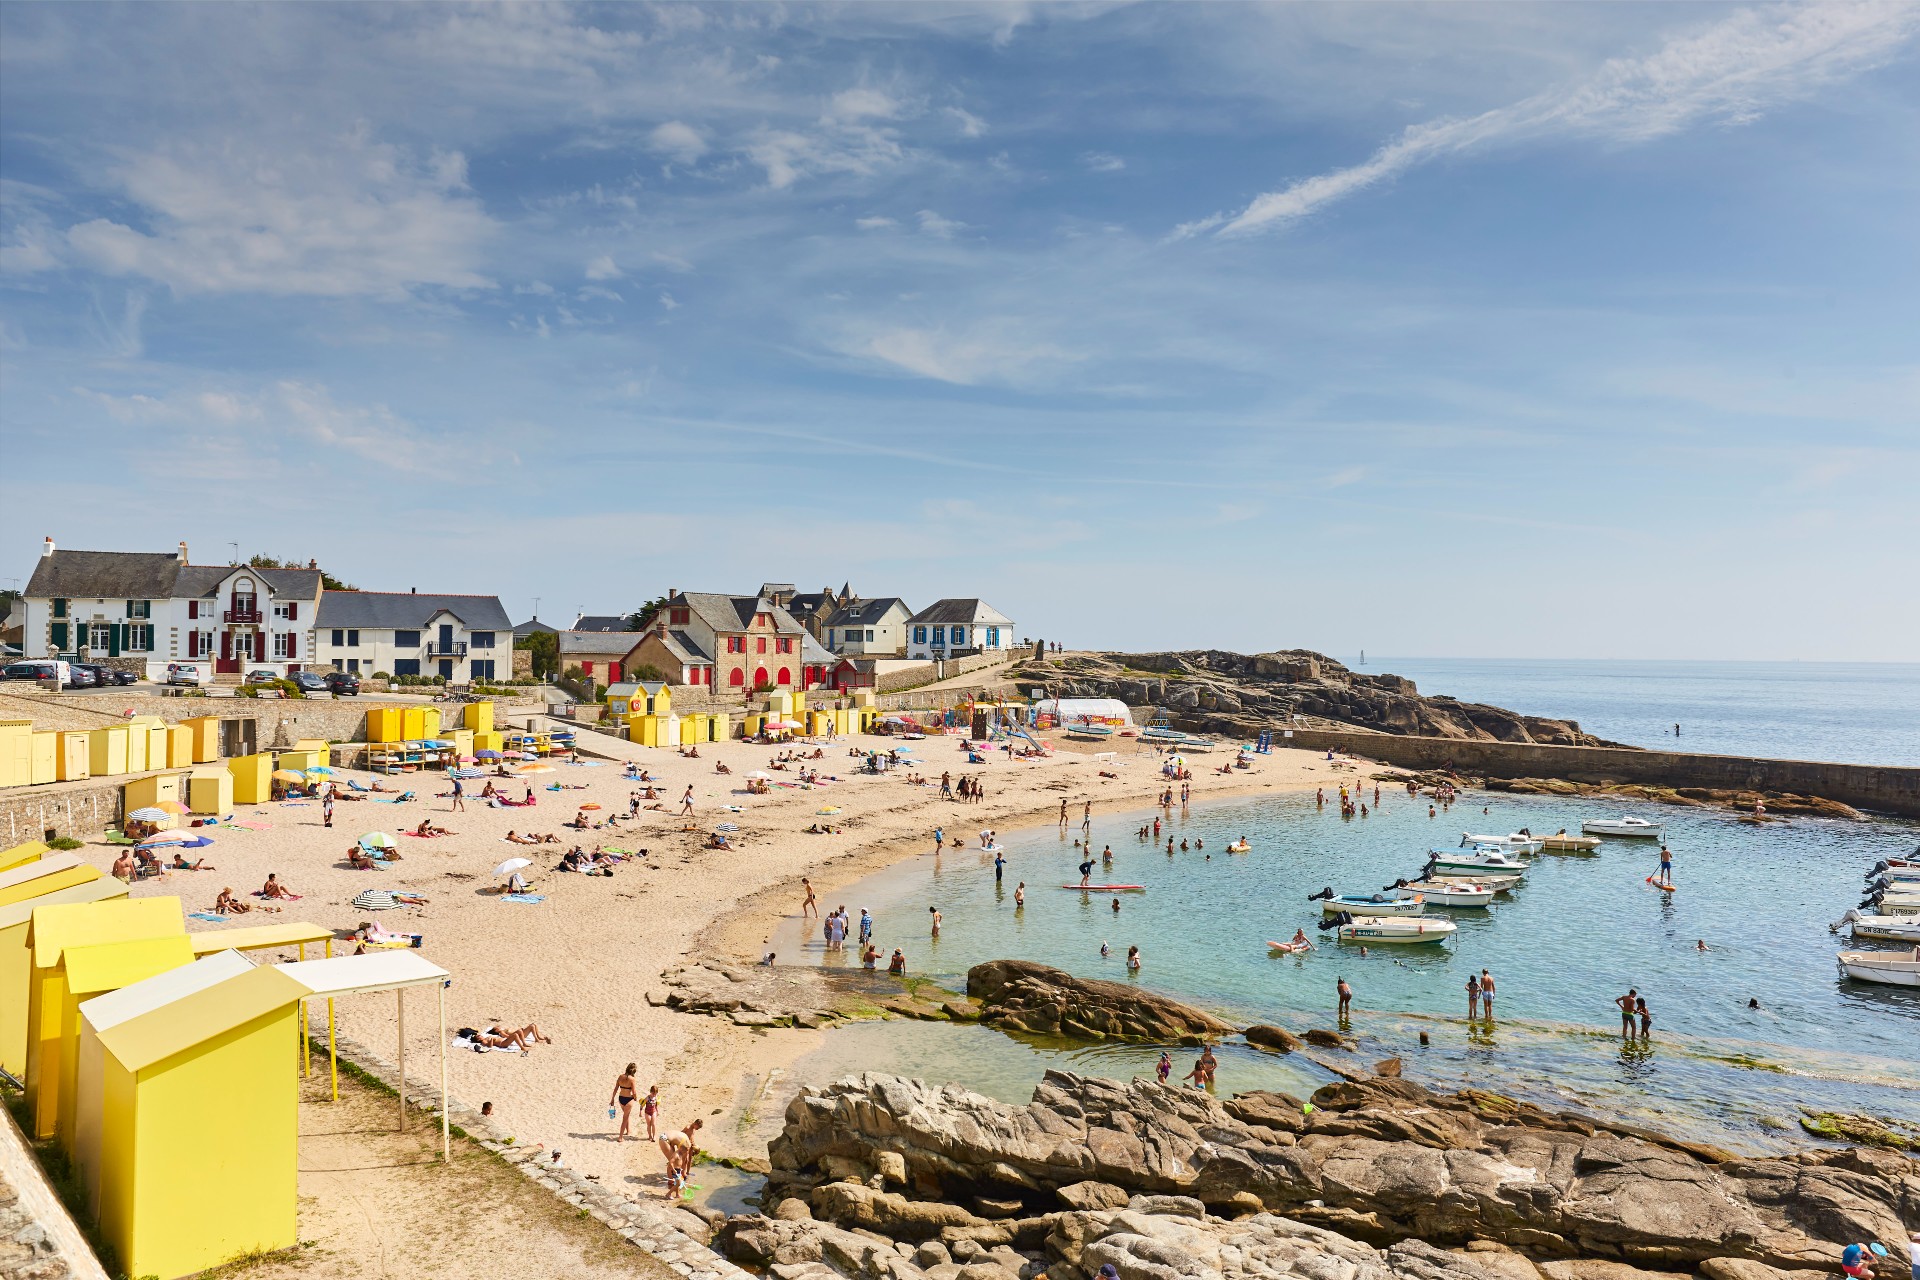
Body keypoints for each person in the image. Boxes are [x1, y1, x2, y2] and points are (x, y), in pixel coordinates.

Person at [609, 1063, 640, 1140]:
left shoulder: (620, 1077)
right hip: (628, 1099)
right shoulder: (632, 1079)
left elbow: (615, 1089)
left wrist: (612, 1099)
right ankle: (620, 1137)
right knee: (625, 1118)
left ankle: (628, 1131)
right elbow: (634, 1092)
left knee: (626, 1115)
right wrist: (635, 1098)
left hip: (621, 1098)